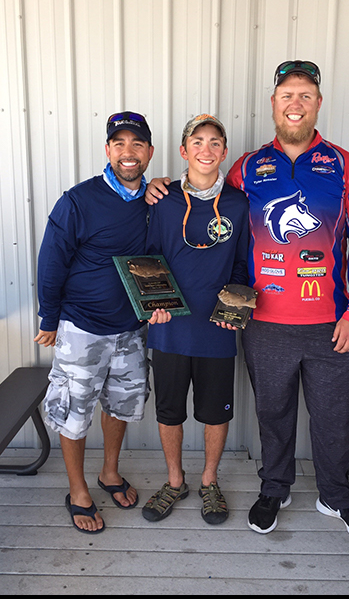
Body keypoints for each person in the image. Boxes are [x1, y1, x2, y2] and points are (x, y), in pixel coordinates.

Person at [145, 61, 349, 542]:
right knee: (273, 413)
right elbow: (206, 193)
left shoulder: (345, 164)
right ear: (273, 104)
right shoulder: (248, 167)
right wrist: (161, 187)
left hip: (333, 323)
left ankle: (336, 496)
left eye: (306, 95)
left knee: (335, 415)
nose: (296, 103)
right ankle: (275, 488)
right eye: (287, 95)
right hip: (264, 321)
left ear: (317, 104)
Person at [34, 111, 171, 534]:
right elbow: (51, 261)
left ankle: (109, 473)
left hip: (131, 329)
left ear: (149, 152)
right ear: (107, 150)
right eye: (119, 144)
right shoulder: (78, 200)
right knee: (74, 412)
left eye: (137, 145)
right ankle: (77, 490)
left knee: (122, 406)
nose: (128, 153)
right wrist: (50, 316)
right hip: (82, 328)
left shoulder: (158, 200)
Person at [141, 114, 249, 525]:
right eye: (197, 142)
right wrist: (155, 304)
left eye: (215, 142)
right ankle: (174, 481)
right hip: (169, 326)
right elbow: (148, 258)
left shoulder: (238, 203)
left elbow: (243, 265)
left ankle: (208, 482)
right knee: (169, 411)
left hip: (217, 329)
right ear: (184, 151)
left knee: (215, 412)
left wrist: (234, 310)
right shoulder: (163, 199)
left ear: (224, 151)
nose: (207, 149)